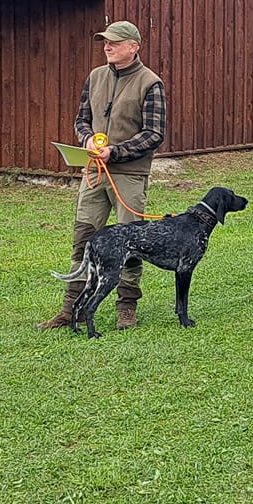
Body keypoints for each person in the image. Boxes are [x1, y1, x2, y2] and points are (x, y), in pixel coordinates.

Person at [38, 20, 167, 332]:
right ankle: (71, 310)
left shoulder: (151, 83)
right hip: (94, 174)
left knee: (132, 242)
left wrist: (116, 152)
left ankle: (127, 309)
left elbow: (154, 134)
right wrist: (85, 140)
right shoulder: (95, 77)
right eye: (105, 42)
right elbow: (82, 119)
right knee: (84, 238)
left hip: (129, 176)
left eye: (114, 42)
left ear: (133, 46)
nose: (107, 47)